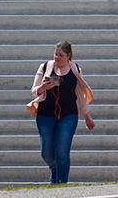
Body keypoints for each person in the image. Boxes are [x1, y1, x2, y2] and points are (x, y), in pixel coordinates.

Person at [31, 40, 95, 184]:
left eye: (61, 55)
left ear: (68, 56)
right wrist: (43, 87)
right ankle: (54, 168)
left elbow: (80, 95)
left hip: (68, 114)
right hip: (45, 115)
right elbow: (34, 91)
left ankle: (61, 184)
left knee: (62, 151)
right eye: (55, 54)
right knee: (46, 152)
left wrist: (87, 117)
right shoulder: (45, 67)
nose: (57, 58)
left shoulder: (75, 69)